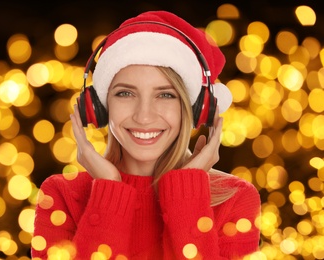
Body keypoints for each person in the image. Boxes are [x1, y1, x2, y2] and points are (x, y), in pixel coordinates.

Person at [32, 10, 261, 259]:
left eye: (165, 95)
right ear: (98, 105)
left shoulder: (236, 198)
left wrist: (187, 193)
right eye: (125, 93)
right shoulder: (61, 195)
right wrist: (108, 189)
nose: (143, 116)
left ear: (196, 109)